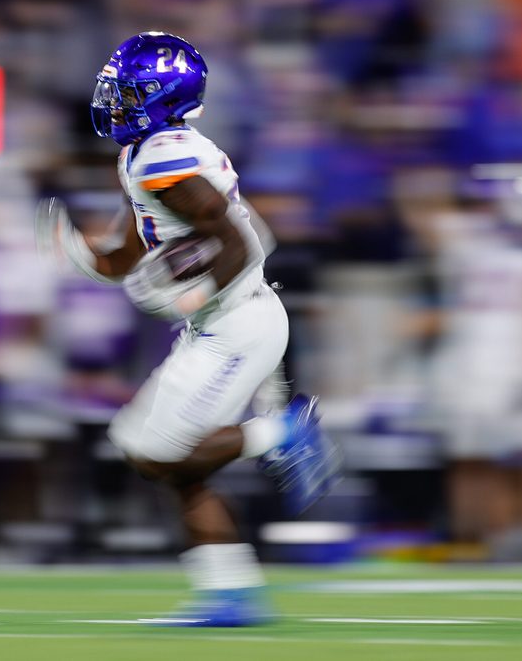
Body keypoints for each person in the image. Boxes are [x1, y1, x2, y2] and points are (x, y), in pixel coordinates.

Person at [38, 32, 341, 626]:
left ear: (161, 97)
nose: (113, 100)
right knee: (157, 457)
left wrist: (192, 291)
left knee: (160, 447)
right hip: (222, 322)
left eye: (126, 91)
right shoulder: (142, 154)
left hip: (239, 319)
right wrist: (83, 257)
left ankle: (282, 434)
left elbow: (242, 241)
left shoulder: (162, 155)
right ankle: (229, 593)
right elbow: (130, 248)